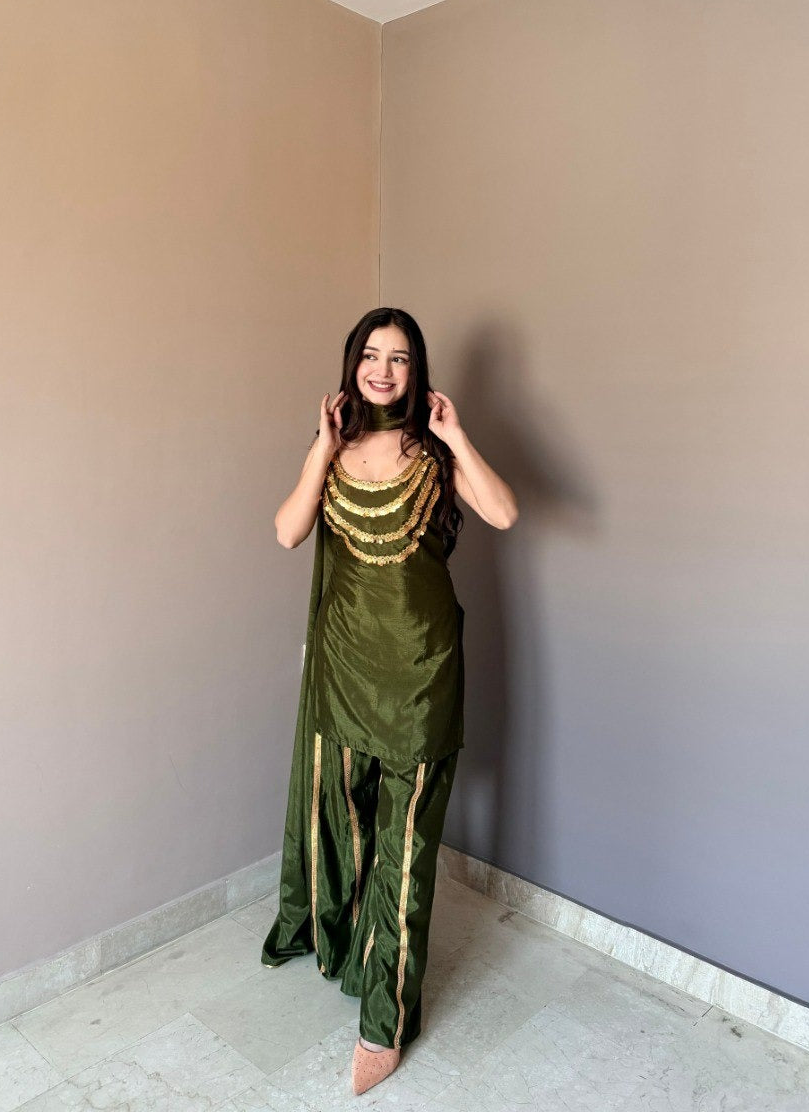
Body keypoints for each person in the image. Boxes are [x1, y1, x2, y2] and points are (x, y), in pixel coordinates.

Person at [261, 307, 518, 1095]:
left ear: (417, 371)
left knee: (405, 852)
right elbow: (287, 531)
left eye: (399, 358)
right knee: (346, 827)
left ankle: (383, 1020)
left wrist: (457, 435)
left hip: (421, 673)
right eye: (371, 355)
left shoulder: (434, 453)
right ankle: (345, 950)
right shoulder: (333, 450)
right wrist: (321, 445)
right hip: (344, 669)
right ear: (353, 365)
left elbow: (504, 511)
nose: (382, 370)